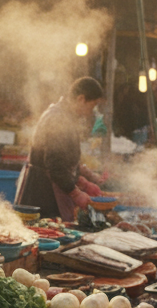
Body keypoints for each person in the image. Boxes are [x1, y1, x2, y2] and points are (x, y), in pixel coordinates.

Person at [15, 77, 106, 221]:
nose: (92, 112)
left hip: (50, 190)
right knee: (45, 228)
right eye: (92, 105)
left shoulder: (66, 116)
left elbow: (65, 158)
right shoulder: (57, 118)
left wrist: (82, 179)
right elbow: (56, 166)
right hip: (41, 194)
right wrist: (76, 193)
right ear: (81, 99)